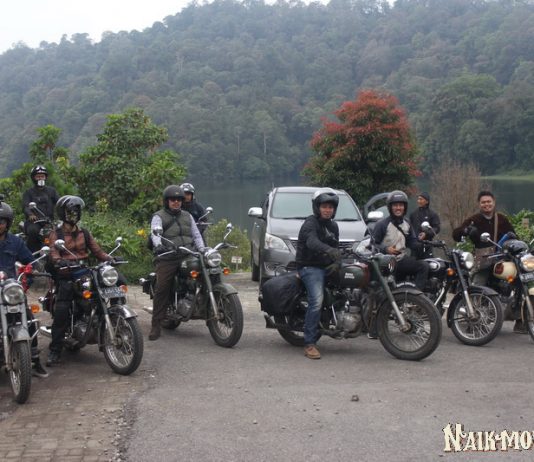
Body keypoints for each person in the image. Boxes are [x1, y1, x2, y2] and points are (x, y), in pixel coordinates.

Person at [46, 195, 113, 366]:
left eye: (76, 211)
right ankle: (55, 350)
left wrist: (109, 258)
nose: (74, 214)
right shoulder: (56, 233)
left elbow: (97, 251)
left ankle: (111, 320)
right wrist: (59, 260)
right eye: (70, 211)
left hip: (83, 271)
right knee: (62, 310)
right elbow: (53, 251)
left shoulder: (85, 232)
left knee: (109, 287)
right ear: (63, 213)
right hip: (66, 274)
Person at [452, 190, 522, 332]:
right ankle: (474, 320)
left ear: (494, 202)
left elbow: (515, 237)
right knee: (478, 286)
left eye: (489, 201)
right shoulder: (474, 219)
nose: (486, 204)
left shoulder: (501, 219)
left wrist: (514, 238)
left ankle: (520, 318)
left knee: (520, 280)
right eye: (483, 202)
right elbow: (456, 235)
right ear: (479, 204)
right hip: (483, 261)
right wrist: (466, 231)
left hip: (501, 260)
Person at [149, 185, 205, 341]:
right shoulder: (158, 216)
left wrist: (202, 249)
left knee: (208, 270)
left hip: (188, 254)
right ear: (166, 201)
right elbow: (155, 233)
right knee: (162, 288)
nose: (176, 202)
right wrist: (158, 245)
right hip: (168, 256)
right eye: (173, 199)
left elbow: (196, 235)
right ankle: (156, 324)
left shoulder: (188, 216)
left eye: (179, 199)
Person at [0, 200, 48, 377]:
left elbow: (29, 260)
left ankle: (33, 360)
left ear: (8, 223)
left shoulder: (15, 242)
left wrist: (35, 269)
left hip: (11, 290)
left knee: (28, 320)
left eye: (1, 221)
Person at [295, 188, 341, 360]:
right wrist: (329, 250)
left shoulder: (333, 226)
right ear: (317, 207)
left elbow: (336, 248)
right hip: (309, 266)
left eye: (331, 207)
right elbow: (312, 242)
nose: (328, 210)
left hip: (326, 266)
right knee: (316, 301)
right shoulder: (310, 223)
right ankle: (309, 343)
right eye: (324, 207)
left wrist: (337, 262)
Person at [372, 190, 429, 291]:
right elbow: (372, 245)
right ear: (390, 207)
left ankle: (416, 296)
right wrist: (386, 249)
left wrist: (424, 244)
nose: (398, 208)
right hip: (386, 263)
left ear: (405, 207)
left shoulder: (407, 223)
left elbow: (412, 242)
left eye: (401, 205)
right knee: (390, 287)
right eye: (395, 205)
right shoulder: (382, 224)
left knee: (424, 266)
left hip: (401, 259)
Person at [22, 165, 59, 252]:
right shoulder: (28, 192)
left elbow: (59, 203)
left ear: (45, 177)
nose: (40, 178)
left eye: (42, 176)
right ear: (33, 178)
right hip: (34, 222)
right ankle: (32, 253)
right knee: (33, 231)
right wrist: (30, 214)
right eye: (38, 176)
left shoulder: (52, 191)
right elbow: (25, 206)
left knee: (61, 231)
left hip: (49, 221)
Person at [409, 192, 441, 259]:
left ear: (427, 201)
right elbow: (409, 228)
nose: (418, 201)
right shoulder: (413, 214)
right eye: (418, 199)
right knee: (413, 264)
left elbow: (437, 228)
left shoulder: (432, 214)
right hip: (415, 247)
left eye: (421, 199)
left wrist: (426, 234)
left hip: (427, 245)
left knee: (429, 263)